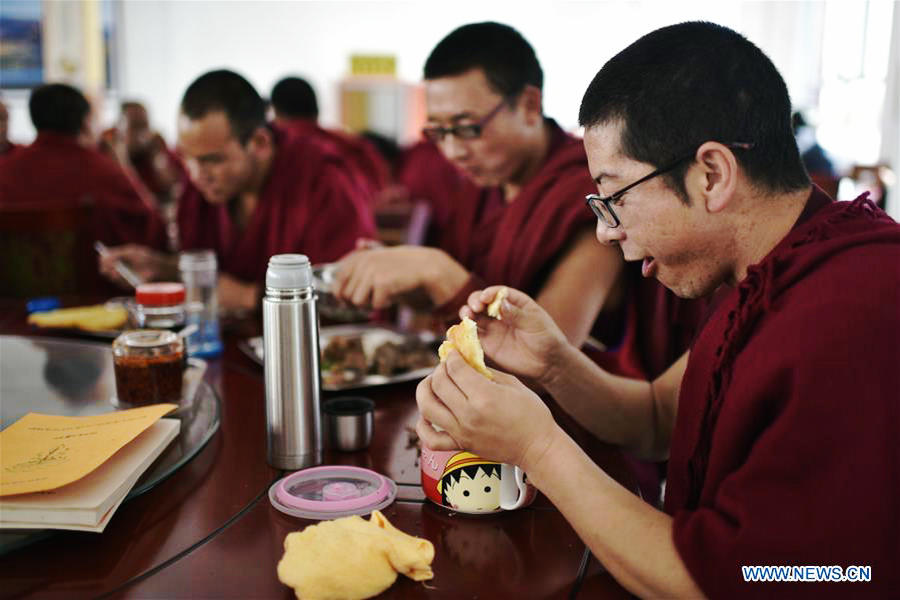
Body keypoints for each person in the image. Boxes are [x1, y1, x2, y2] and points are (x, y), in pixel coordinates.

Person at [416, 21, 899, 599]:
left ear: (712, 174)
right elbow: (654, 419)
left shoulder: (853, 310)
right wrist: (554, 364)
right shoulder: (766, 273)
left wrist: (536, 448)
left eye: (615, 197)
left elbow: (747, 579)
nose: (603, 233)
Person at [334, 22, 624, 348]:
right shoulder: (482, 189)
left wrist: (436, 271)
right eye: (439, 132)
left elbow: (550, 358)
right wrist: (404, 276)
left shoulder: (589, 194)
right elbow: (460, 300)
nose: (453, 151)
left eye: (468, 128)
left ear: (529, 105)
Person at [100, 70, 376, 311]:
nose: (197, 176)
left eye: (213, 160)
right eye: (187, 158)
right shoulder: (203, 187)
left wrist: (248, 297)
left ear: (259, 143)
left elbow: (353, 297)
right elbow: (213, 275)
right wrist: (159, 266)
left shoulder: (321, 179)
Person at [0, 83, 165, 249]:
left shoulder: (5, 170)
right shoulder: (105, 172)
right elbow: (156, 232)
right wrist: (122, 165)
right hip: (90, 274)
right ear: (85, 122)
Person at [269, 75, 391, 199]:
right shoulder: (354, 147)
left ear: (275, 111)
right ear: (317, 110)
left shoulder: (272, 150)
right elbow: (379, 196)